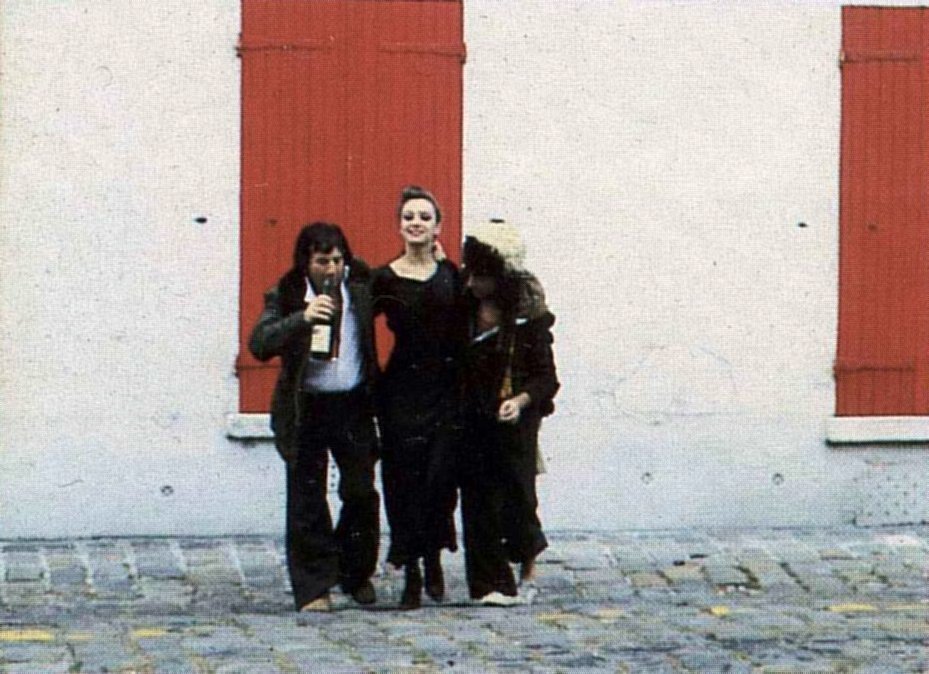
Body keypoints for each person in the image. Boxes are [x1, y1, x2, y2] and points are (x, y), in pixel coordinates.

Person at [249, 222, 381, 612]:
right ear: (306, 262)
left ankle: (355, 573)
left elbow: (404, 287)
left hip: (352, 403)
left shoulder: (361, 285)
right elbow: (259, 344)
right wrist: (302, 319)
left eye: (338, 260)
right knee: (307, 497)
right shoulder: (288, 292)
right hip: (306, 406)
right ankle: (314, 587)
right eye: (323, 261)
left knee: (360, 491)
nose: (332, 269)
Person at [458, 219, 560, 606]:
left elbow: (546, 376)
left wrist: (520, 401)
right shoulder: (465, 306)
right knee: (479, 500)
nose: (472, 283)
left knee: (518, 494)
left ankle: (527, 565)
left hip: (515, 419)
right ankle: (489, 582)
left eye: (481, 277)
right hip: (475, 414)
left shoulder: (527, 317)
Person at [372, 186, 464, 609]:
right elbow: (356, 325)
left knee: (439, 478)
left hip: (443, 389)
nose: (416, 223)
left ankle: (433, 558)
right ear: (399, 225)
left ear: (437, 227)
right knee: (403, 479)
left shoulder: (451, 276)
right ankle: (410, 569)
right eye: (409, 216)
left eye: (425, 217)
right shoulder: (385, 278)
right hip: (401, 391)